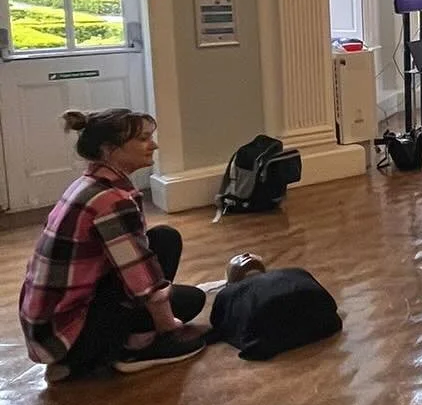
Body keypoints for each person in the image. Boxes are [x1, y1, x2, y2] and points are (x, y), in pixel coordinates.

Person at [19, 108, 209, 383]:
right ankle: (133, 350)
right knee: (192, 301)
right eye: (143, 139)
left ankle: (80, 359)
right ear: (109, 150)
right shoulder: (111, 200)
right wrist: (168, 327)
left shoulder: (87, 184)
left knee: (164, 239)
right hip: (69, 336)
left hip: (48, 328)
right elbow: (141, 277)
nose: (153, 145)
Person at [208, 253, 343, 361]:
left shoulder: (228, 294)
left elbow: (218, 323)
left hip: (264, 336)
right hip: (323, 321)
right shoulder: (298, 273)